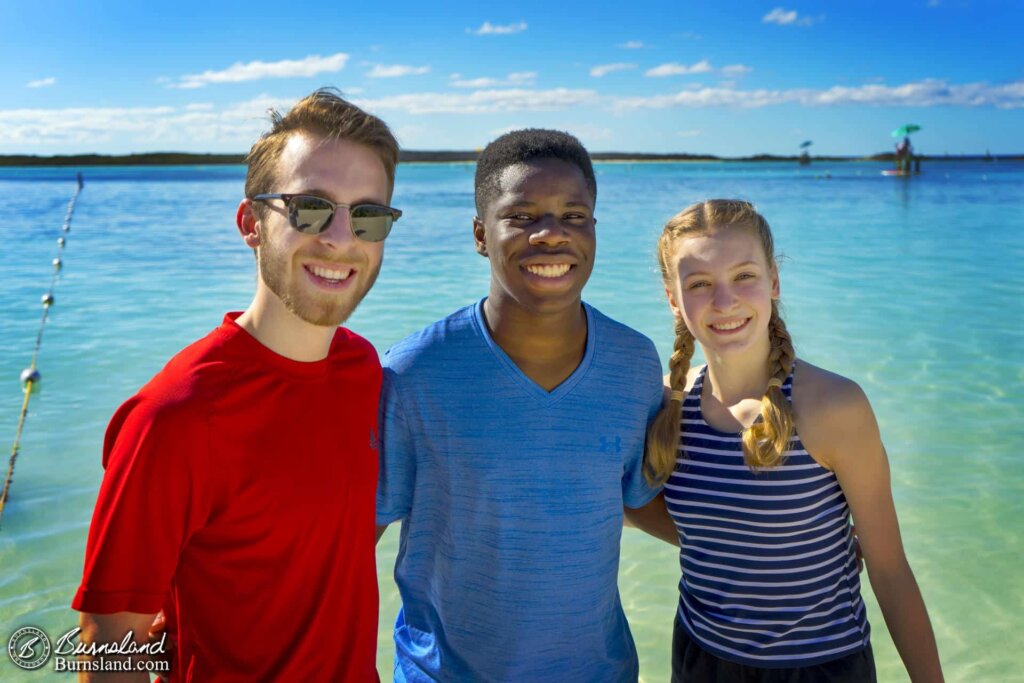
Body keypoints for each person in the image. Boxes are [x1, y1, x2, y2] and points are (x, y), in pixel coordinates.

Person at [72, 88, 401, 682]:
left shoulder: (363, 370)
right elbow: (109, 641)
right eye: (311, 208)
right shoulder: (174, 417)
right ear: (251, 223)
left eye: (369, 214)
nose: (341, 238)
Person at [375, 129, 664, 681]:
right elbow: (351, 538)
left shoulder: (634, 363)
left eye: (574, 216)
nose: (552, 234)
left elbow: (633, 497)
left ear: (594, 231)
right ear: (481, 234)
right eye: (524, 216)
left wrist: (778, 541)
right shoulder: (414, 375)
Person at [641, 199, 944, 681]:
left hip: (822, 665)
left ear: (774, 282)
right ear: (673, 299)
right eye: (700, 284)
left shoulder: (834, 407)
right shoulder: (664, 406)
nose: (725, 302)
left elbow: (889, 570)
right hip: (702, 657)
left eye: (744, 276)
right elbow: (623, 501)